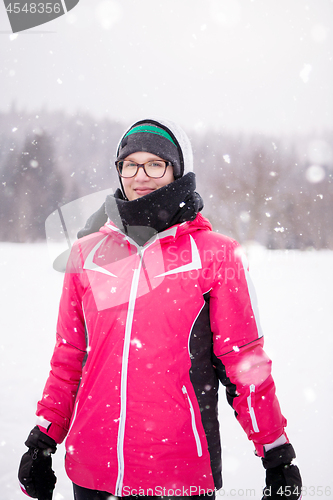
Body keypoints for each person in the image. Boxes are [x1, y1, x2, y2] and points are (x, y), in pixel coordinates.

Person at [18, 119, 302, 500]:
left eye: (155, 163)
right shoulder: (87, 255)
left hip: (178, 471)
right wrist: (43, 438)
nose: (140, 175)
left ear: (176, 170)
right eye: (130, 164)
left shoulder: (215, 255)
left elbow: (243, 363)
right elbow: (70, 356)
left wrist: (276, 453)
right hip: (92, 469)